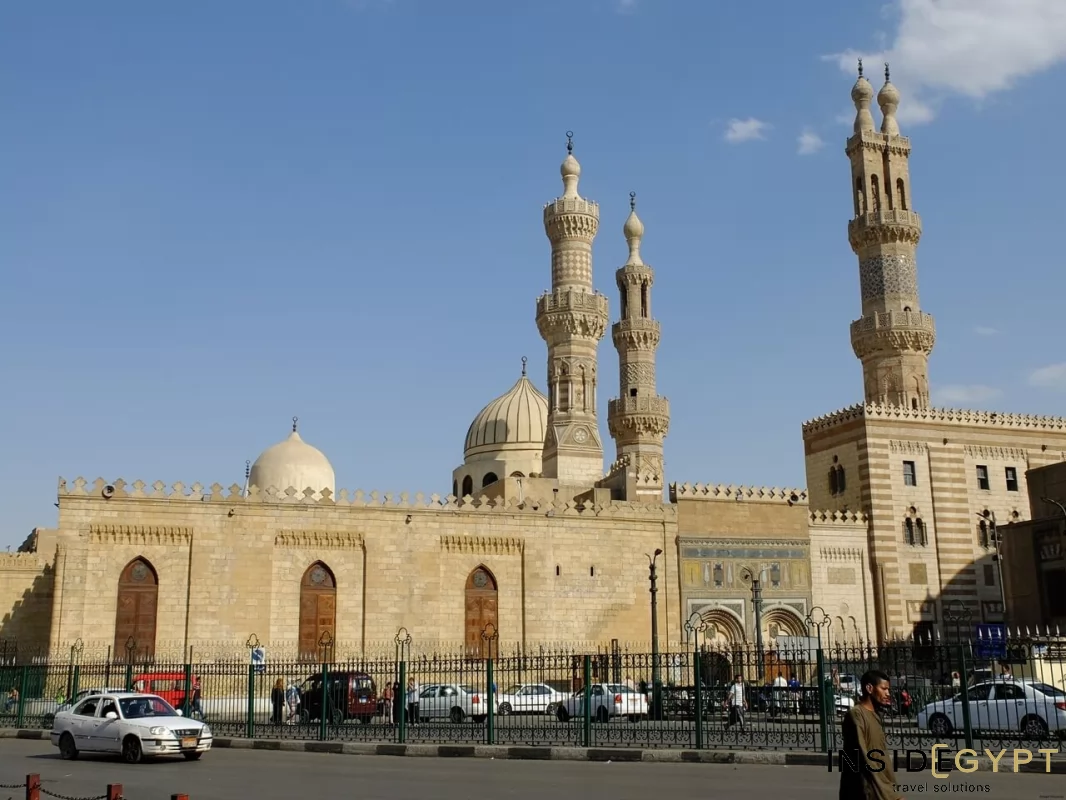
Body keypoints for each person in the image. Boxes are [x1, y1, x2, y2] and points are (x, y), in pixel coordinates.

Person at [839, 670, 903, 800]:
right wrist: (891, 794)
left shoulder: (874, 716)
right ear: (869, 688)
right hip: (865, 791)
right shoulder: (857, 715)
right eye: (884, 689)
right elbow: (866, 760)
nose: (888, 693)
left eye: (888, 689)